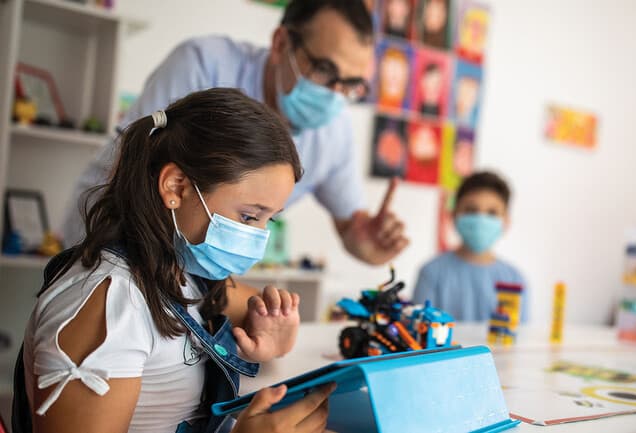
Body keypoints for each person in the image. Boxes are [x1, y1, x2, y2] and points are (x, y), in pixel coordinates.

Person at [15, 88, 333, 433]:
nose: (258, 236)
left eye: (268, 219)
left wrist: (278, 332)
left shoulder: (180, 270)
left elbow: (252, 305)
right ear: (176, 187)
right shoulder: (109, 305)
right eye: (248, 217)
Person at [62, 0, 408, 266]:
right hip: (111, 238)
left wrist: (366, 241)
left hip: (195, 269)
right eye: (323, 70)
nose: (334, 93)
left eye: (350, 84)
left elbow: (351, 227)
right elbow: (136, 174)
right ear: (280, 42)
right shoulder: (204, 64)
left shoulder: (334, 133)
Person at [412, 171, 529, 322]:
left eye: (492, 212)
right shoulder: (431, 273)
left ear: (506, 221)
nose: (481, 219)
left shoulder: (515, 280)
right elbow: (420, 334)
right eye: (471, 210)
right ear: (454, 215)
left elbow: (520, 338)